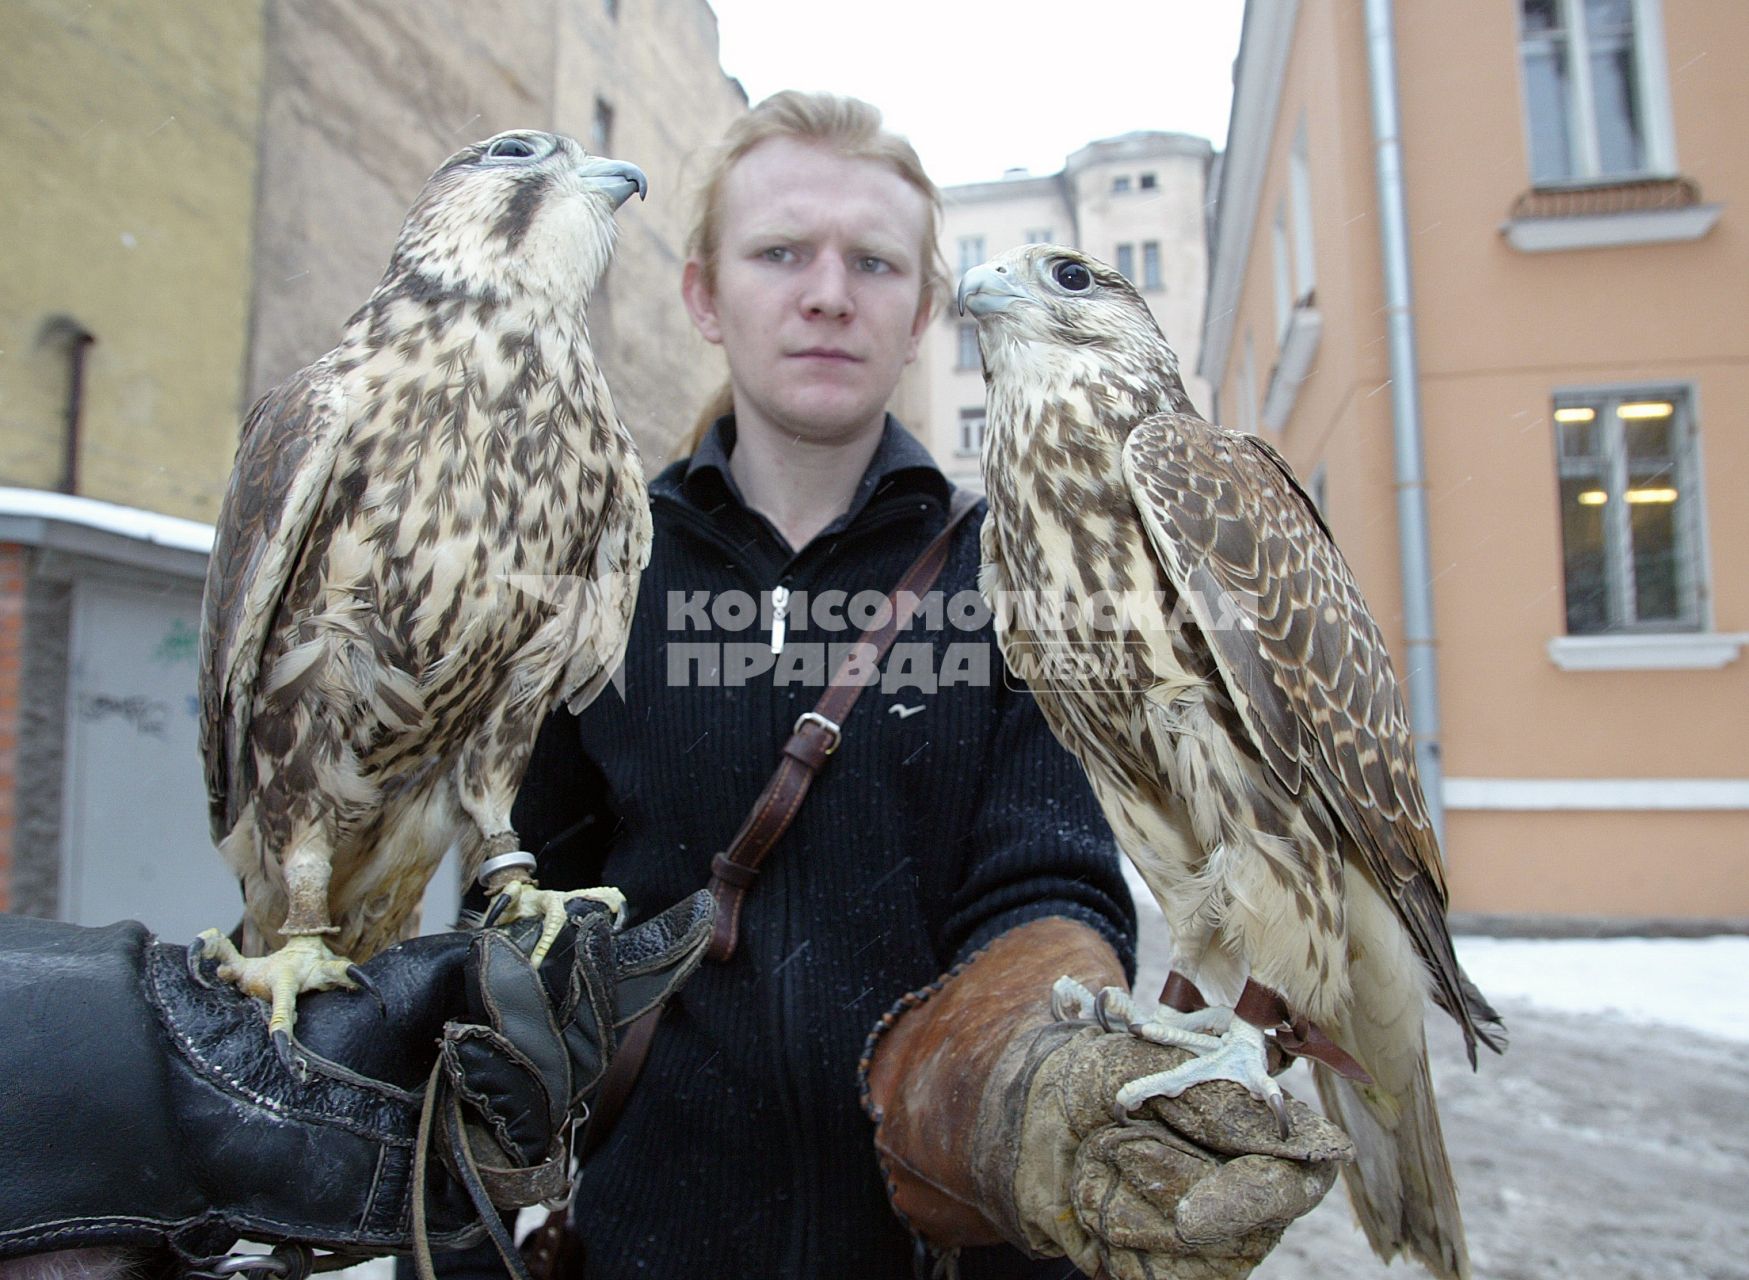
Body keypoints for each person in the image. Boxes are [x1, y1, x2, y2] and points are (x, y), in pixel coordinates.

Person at [426, 92, 1346, 1280]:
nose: (826, 293)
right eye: (780, 253)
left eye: (873, 261)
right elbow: (519, 910)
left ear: (922, 314)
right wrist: (455, 1213)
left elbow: (1050, 873)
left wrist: (1031, 1070)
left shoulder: (1015, 560)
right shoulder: (598, 557)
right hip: (649, 1241)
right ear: (703, 293)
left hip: (959, 1236)